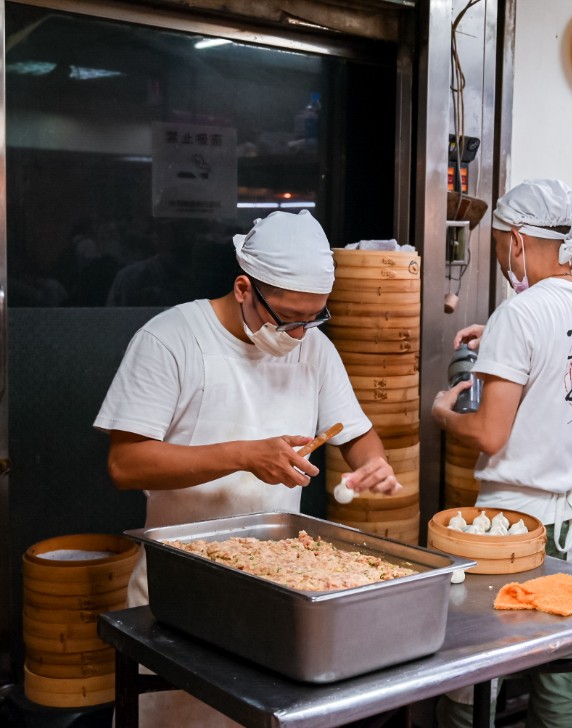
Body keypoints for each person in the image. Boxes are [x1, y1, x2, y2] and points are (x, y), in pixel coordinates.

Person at [95, 210, 401, 727]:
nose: (300, 334)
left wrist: (373, 465)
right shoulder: (171, 339)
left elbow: (358, 437)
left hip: (280, 586)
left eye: (314, 319)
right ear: (243, 288)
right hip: (182, 591)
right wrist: (244, 455)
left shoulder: (315, 351)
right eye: (288, 320)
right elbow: (126, 463)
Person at [431, 179, 572, 728]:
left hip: (516, 528)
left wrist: (445, 414)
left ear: (516, 238)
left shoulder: (520, 314)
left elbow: (491, 433)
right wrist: (498, 338)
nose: (496, 255)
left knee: (475, 675)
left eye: (495, 243)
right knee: (558, 671)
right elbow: (559, 368)